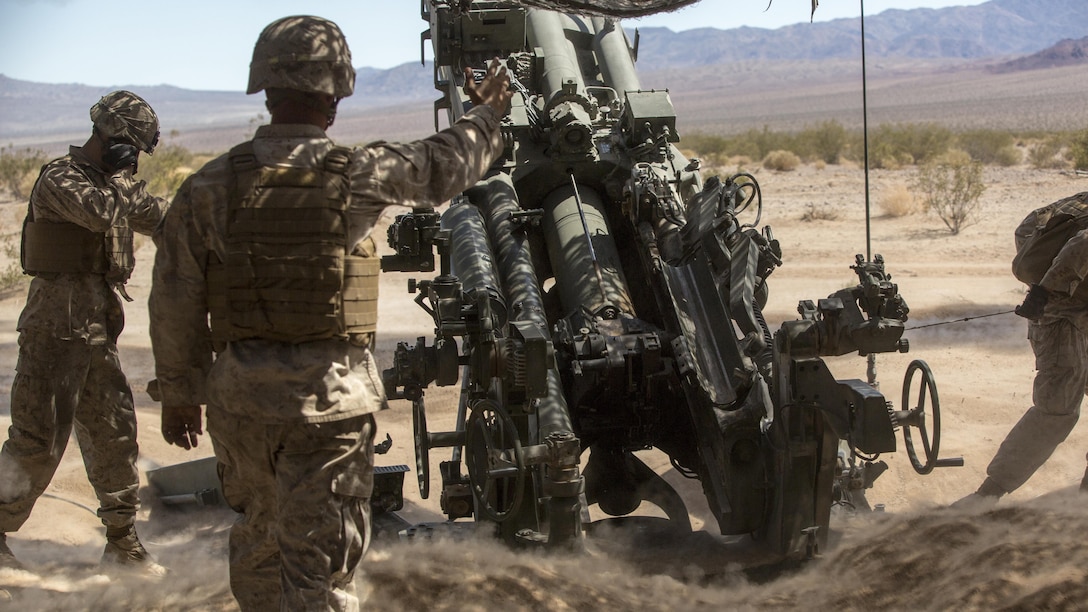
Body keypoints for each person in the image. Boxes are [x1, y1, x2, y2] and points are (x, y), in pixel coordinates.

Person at [148, 14, 511, 611]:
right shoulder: (358, 174)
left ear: (265, 91)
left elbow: (174, 297)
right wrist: (489, 113)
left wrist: (182, 392)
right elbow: (446, 164)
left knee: (262, 543)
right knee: (319, 571)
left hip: (240, 404)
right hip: (328, 406)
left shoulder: (208, 186)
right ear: (337, 97)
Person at [0, 90, 169, 573]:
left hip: (97, 331)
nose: (134, 158)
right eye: (131, 146)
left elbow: (163, 220)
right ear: (110, 137)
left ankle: (122, 543)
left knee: (115, 435)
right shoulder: (61, 177)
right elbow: (99, 212)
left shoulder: (114, 184)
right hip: (53, 328)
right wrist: (123, 181)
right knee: (36, 441)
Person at [958, 192, 1088, 506]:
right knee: (1056, 410)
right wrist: (1044, 290)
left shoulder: (1080, 201)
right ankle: (988, 495)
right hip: (1059, 319)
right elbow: (1081, 243)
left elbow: (1030, 227)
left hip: (1072, 311)